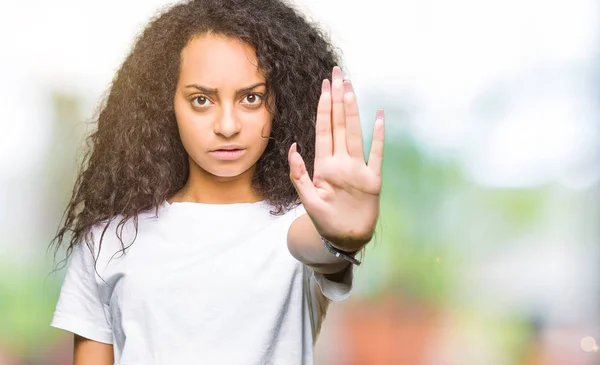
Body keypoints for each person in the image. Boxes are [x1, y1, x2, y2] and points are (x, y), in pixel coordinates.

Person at [49, 0, 385, 364]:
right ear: (166, 104)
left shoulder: (297, 227)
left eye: (251, 98)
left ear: (279, 103)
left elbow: (314, 245)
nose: (227, 126)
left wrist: (342, 238)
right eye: (201, 100)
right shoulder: (107, 241)